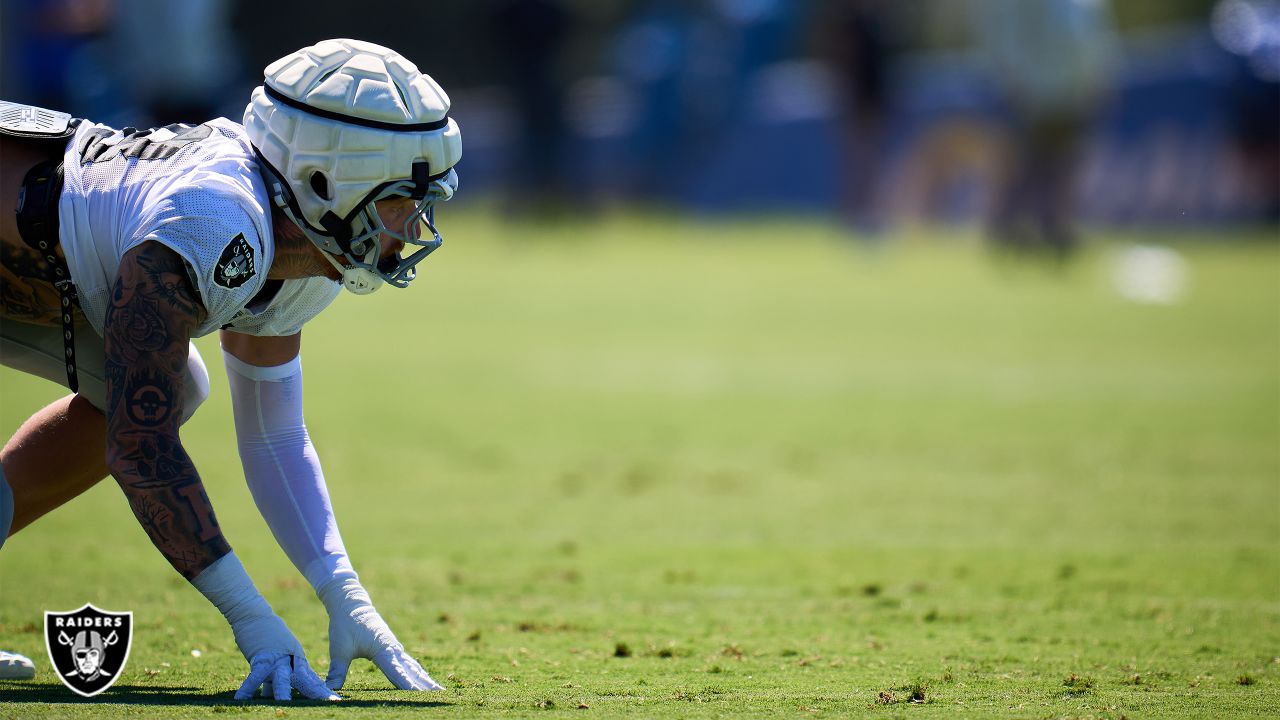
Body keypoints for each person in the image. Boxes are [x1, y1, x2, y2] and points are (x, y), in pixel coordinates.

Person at [0, 38, 462, 700]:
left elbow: (275, 435)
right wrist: (255, 623)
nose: (415, 222)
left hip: (41, 266)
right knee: (152, 403)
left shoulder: (302, 244)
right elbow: (141, 449)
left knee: (175, 387)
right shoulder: (213, 219)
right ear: (326, 179)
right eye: (400, 199)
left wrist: (345, 593)